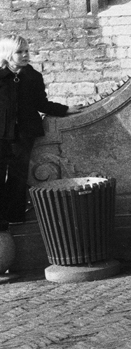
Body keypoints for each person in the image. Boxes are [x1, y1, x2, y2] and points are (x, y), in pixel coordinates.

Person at [0, 35, 76, 226]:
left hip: (24, 133)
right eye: (19, 52)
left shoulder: (33, 77)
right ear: (8, 54)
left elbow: (41, 103)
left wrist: (65, 109)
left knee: (18, 175)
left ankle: (15, 218)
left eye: (27, 51)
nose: (25, 55)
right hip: (0, 134)